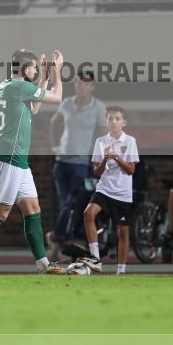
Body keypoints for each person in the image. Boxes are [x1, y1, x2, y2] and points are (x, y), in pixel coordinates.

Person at [0, 49, 67, 275]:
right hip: (8, 157)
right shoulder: (20, 87)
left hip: (17, 159)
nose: (36, 71)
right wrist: (57, 72)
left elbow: (35, 109)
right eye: (34, 68)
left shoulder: (9, 85)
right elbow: (57, 98)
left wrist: (44, 79)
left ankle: (43, 265)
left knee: (32, 208)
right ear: (26, 70)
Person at [45, 72, 106, 258]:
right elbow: (54, 122)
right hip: (62, 162)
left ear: (92, 87)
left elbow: (103, 135)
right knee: (65, 203)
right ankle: (59, 244)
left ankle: (55, 237)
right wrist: (55, 146)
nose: (81, 87)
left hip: (81, 163)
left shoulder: (98, 107)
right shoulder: (67, 104)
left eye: (85, 84)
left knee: (73, 202)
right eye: (78, 83)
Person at [79, 105, 140, 275]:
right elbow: (97, 172)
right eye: (110, 119)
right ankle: (96, 259)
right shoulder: (101, 142)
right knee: (88, 213)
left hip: (122, 193)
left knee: (122, 231)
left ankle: (121, 270)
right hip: (104, 189)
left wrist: (117, 158)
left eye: (117, 119)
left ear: (124, 122)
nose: (113, 122)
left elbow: (131, 170)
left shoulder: (130, 141)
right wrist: (105, 160)